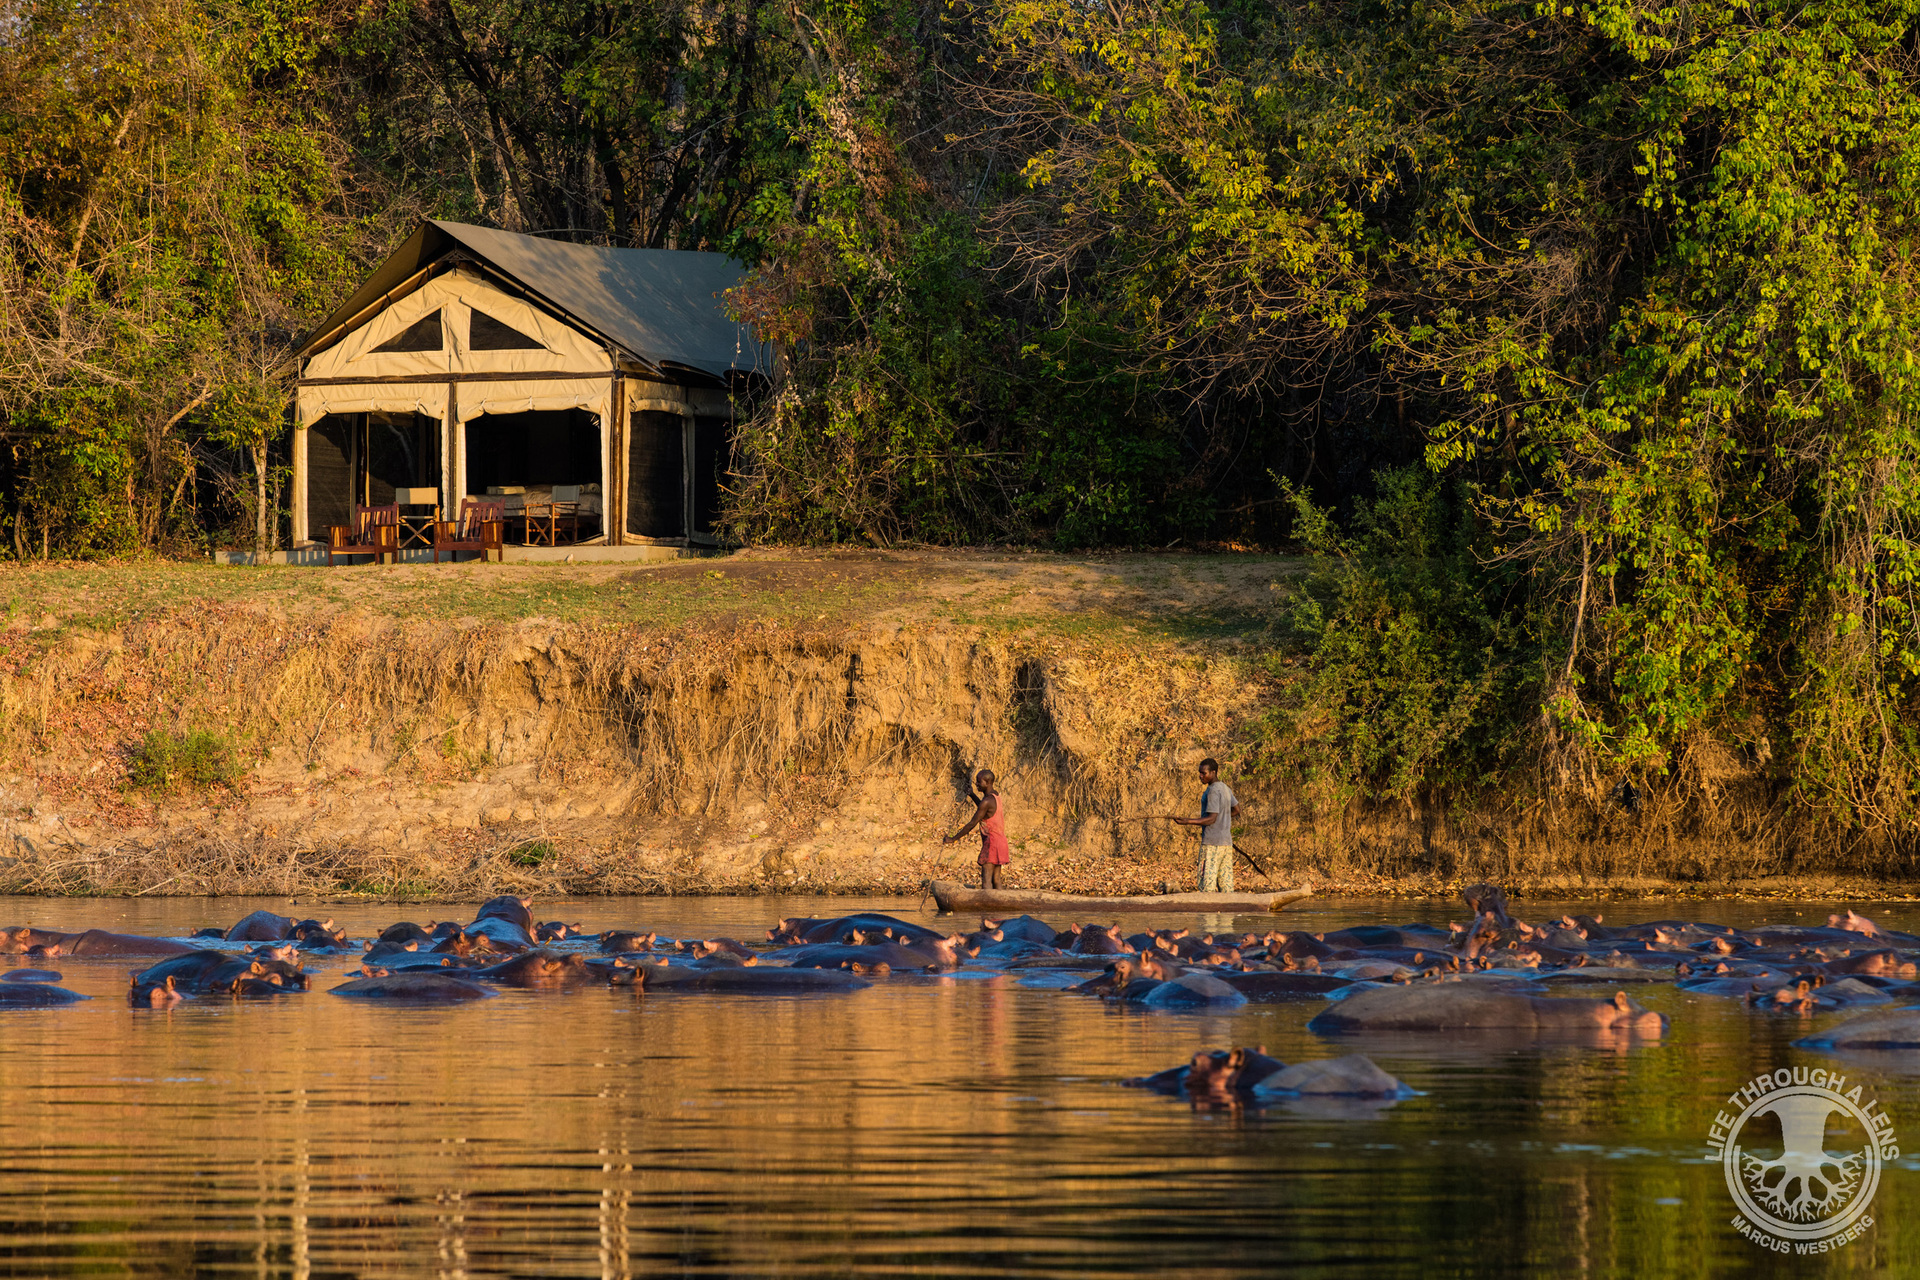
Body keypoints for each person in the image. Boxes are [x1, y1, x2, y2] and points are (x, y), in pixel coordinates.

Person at [1172, 757, 1240, 892]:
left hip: (1212, 844)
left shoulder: (1213, 791)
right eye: (1200, 773)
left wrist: (1187, 821)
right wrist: (1223, 817)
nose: (1200, 776)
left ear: (1213, 772)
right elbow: (1237, 810)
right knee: (1226, 887)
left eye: (1204, 773)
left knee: (1206, 885)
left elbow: (1211, 819)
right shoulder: (1225, 788)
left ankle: (1207, 911)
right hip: (1226, 844)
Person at [943, 769, 1009, 890]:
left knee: (986, 879)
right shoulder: (995, 795)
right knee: (996, 879)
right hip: (1001, 842)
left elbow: (972, 823)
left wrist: (953, 839)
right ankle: (1000, 905)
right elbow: (984, 809)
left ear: (987, 782)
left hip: (992, 843)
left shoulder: (987, 801)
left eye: (979, 782)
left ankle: (987, 905)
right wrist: (972, 795)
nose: (977, 784)